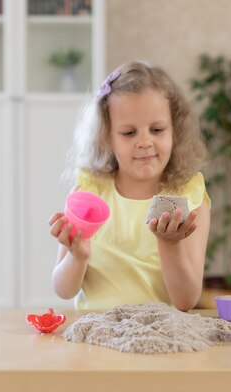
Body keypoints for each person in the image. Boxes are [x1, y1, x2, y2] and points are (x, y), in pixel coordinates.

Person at [48, 60, 210, 311]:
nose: (145, 142)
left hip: (160, 335)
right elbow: (63, 290)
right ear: (107, 137)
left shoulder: (187, 196)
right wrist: (76, 256)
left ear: (175, 131)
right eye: (129, 133)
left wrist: (170, 245)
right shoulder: (89, 193)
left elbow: (186, 301)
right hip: (95, 335)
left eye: (157, 129)